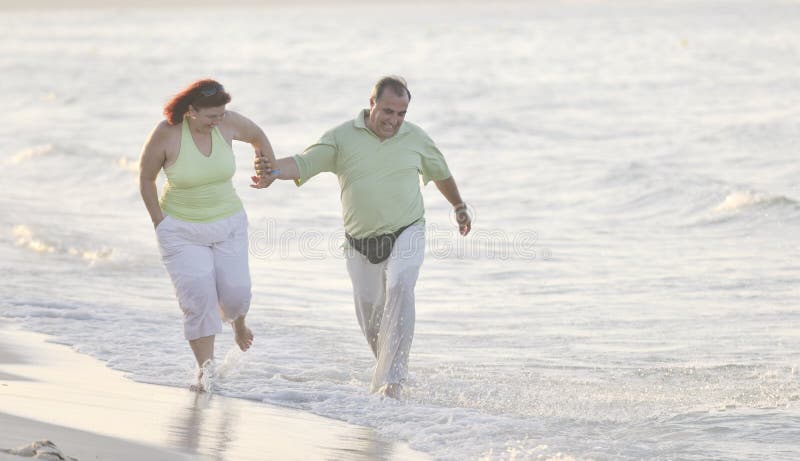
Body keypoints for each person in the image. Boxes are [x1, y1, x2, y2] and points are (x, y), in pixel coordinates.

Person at [251, 76, 471, 399]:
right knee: (372, 320)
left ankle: (393, 385)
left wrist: (459, 207)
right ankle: (387, 372)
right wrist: (271, 172)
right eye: (387, 111)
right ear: (372, 104)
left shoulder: (416, 138)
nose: (394, 120)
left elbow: (441, 172)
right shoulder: (342, 138)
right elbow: (303, 163)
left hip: (407, 230)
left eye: (401, 113)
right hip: (359, 244)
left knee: (400, 284)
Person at [139, 79, 278, 391]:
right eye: (211, 116)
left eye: (221, 115)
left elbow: (257, 135)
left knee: (237, 293)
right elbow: (146, 179)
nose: (218, 121)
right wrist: (159, 223)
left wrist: (267, 169)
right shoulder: (166, 134)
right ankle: (206, 371)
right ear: (191, 111)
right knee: (199, 299)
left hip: (228, 224)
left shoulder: (227, 123)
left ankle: (238, 324)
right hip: (181, 230)